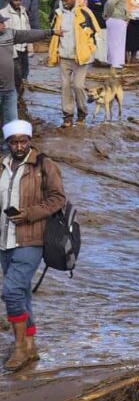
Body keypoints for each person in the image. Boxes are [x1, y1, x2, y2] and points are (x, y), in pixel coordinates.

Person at [0, 120, 67, 371]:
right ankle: (30, 344)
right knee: (23, 292)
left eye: (23, 141)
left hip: (32, 238)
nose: (19, 146)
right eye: (14, 142)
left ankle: (19, 349)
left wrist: (28, 214)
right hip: (4, 240)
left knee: (11, 291)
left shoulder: (44, 164)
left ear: (29, 140)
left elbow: (58, 199)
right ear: (8, 143)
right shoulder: (2, 165)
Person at [48, 0, 100, 127]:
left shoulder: (85, 12)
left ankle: (82, 113)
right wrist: (55, 52)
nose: (64, 3)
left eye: (66, 1)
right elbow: (53, 32)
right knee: (65, 86)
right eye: (62, 1)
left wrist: (90, 51)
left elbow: (95, 33)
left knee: (78, 85)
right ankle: (68, 116)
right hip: (64, 56)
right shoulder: (58, 14)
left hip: (81, 58)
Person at [0, 13, 56, 128]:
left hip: (9, 90)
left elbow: (28, 35)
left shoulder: (9, 34)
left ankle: (8, 146)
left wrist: (50, 32)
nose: (4, 24)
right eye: (1, 23)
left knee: (12, 125)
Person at [4, 0, 33, 89]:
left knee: (24, 73)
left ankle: (20, 96)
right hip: (12, 48)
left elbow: (27, 28)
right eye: (15, 0)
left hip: (23, 47)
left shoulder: (24, 12)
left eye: (19, 0)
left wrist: (30, 45)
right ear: (10, 1)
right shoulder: (4, 13)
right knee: (16, 75)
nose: (18, 2)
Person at [104, 0, 128, 69]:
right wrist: (109, 14)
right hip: (116, 18)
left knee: (115, 41)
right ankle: (116, 63)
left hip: (116, 18)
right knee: (117, 42)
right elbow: (110, 3)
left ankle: (115, 61)